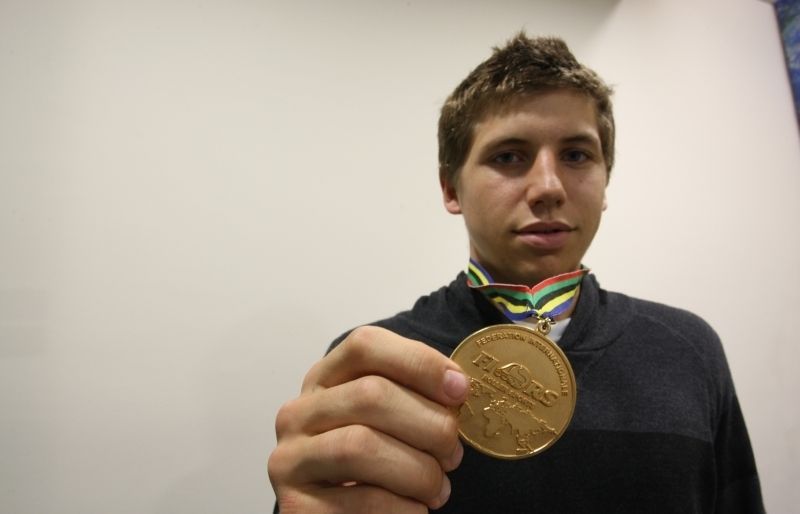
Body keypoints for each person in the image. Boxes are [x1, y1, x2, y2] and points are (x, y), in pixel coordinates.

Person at [267, 33, 765, 513]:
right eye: (509, 156)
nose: (548, 186)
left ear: (605, 179)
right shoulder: (373, 366)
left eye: (576, 155)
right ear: (451, 189)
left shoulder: (688, 350)